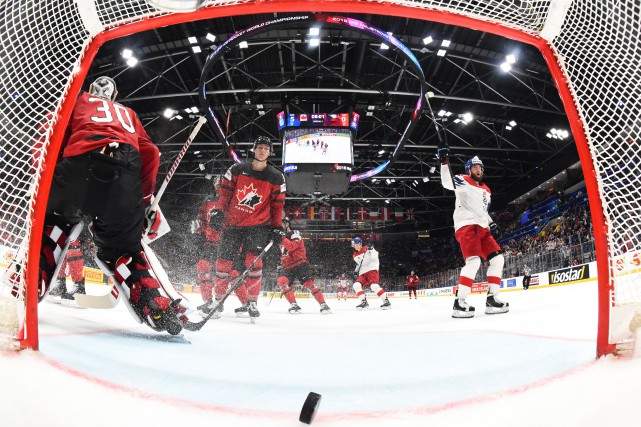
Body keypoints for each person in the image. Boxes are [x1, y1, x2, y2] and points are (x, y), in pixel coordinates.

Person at [38, 76, 183, 334]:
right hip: (123, 177)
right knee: (122, 248)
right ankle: (154, 305)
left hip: (78, 169)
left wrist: (44, 175)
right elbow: (152, 154)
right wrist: (144, 199)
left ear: (92, 90)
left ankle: (31, 279)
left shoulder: (77, 100)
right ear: (114, 96)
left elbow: (49, 131)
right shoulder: (128, 113)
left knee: (53, 224)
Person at [214, 136, 286, 320]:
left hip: (258, 226)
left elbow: (277, 206)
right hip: (232, 224)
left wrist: (277, 227)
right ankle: (217, 301)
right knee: (223, 263)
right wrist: (219, 212)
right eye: (259, 147)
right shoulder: (237, 169)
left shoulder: (276, 177)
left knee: (254, 264)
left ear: (270, 152)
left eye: (266, 148)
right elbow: (224, 195)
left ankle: (252, 302)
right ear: (254, 150)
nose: (262, 151)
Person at [438, 143, 509, 318]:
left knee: (498, 259)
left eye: (480, 167)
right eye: (475, 167)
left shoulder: (487, 189)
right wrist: (444, 161)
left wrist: (491, 223)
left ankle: (492, 298)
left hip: (483, 227)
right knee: (473, 262)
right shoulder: (463, 180)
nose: (479, 170)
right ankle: (459, 302)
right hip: (467, 226)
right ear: (469, 170)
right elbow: (447, 183)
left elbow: (484, 211)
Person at [193, 177, 249, 318]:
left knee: (232, 274)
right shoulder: (207, 201)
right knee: (203, 265)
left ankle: (246, 304)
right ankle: (209, 302)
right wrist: (200, 233)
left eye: (222, 184)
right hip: (210, 243)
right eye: (217, 184)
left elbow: (241, 220)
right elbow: (201, 219)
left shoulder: (234, 200)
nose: (219, 187)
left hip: (228, 242)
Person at [277, 218, 331, 314]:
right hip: (287, 266)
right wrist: (280, 263)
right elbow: (281, 253)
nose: (280, 225)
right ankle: (294, 305)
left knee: (309, 283)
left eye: (282, 223)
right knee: (282, 281)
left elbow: (291, 247)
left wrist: (282, 238)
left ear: (287, 224)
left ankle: (323, 305)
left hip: (299, 263)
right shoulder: (279, 237)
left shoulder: (294, 233)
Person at [350, 237, 391, 310]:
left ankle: (386, 302)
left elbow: (375, 255)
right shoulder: (355, 255)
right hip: (362, 273)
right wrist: (356, 271)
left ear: (359, 243)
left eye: (354, 244)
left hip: (371, 270)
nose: (353, 246)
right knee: (356, 285)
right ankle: (364, 302)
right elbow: (358, 264)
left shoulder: (367, 248)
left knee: (374, 286)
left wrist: (371, 248)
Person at [47, 238, 86, 307]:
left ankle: (79, 289)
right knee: (61, 249)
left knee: (73, 247)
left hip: (80, 234)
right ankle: (60, 284)